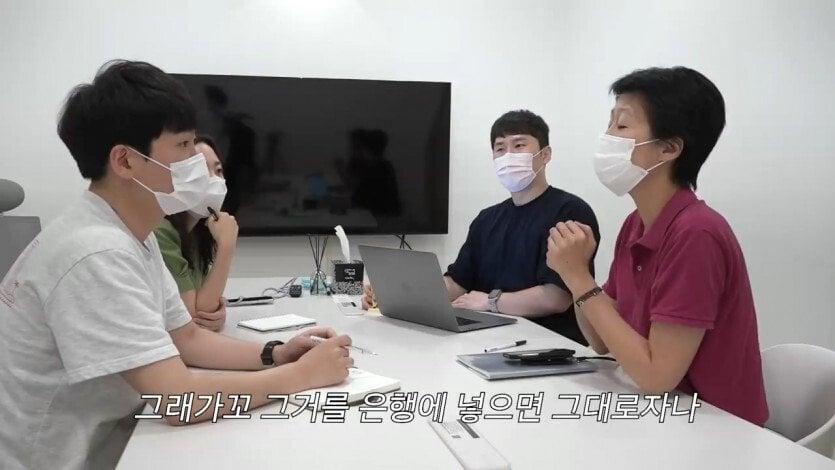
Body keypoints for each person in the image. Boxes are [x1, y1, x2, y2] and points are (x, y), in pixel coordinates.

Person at [0, 60, 353, 470]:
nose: (198, 163)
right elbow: (178, 400)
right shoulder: (97, 253)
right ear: (125, 161)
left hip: (116, 436)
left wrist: (277, 353)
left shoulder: (132, 233)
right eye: (184, 146)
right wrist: (302, 376)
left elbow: (186, 337)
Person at [545, 66, 768, 425]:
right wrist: (576, 274)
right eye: (610, 123)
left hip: (717, 428)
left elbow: (656, 377)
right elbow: (601, 341)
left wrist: (578, 278)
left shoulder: (697, 234)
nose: (607, 137)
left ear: (669, 148)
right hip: (663, 414)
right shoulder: (636, 223)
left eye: (622, 125)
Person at [364, 110, 599, 345]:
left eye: (519, 145)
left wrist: (490, 301)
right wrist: (396, 294)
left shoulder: (569, 212)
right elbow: (457, 283)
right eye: (500, 148)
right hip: (487, 339)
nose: (508, 155)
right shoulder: (487, 219)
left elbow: (557, 297)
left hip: (549, 343)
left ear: (545, 155)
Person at [154, 135, 234, 331]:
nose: (215, 179)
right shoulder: (161, 231)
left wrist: (219, 310)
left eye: (218, 170)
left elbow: (204, 307)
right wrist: (227, 246)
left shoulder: (197, 234)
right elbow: (192, 319)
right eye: (202, 171)